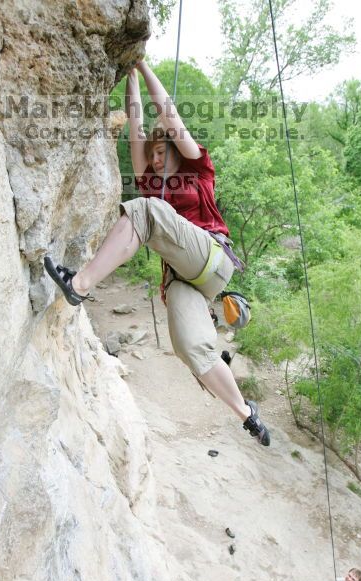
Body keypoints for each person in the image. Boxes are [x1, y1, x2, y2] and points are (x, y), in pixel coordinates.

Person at [44, 60, 270, 447]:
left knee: (147, 209)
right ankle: (246, 414)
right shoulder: (151, 179)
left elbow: (168, 110)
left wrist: (143, 66)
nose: (156, 158)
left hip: (211, 257)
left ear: (178, 150)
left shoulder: (200, 169)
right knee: (190, 348)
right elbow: (135, 126)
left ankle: (78, 284)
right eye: (153, 153)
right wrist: (128, 78)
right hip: (187, 281)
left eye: (162, 151)